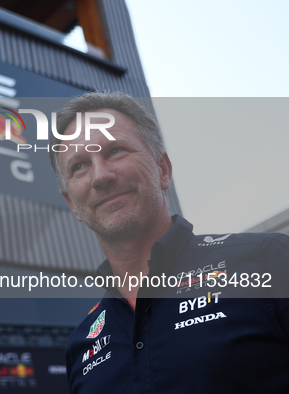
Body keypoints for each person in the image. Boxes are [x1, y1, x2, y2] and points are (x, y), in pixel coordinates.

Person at [49, 92, 289, 393]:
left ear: (163, 170)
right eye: (79, 166)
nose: (101, 175)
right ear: (72, 204)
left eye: (115, 151)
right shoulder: (81, 345)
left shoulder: (269, 261)